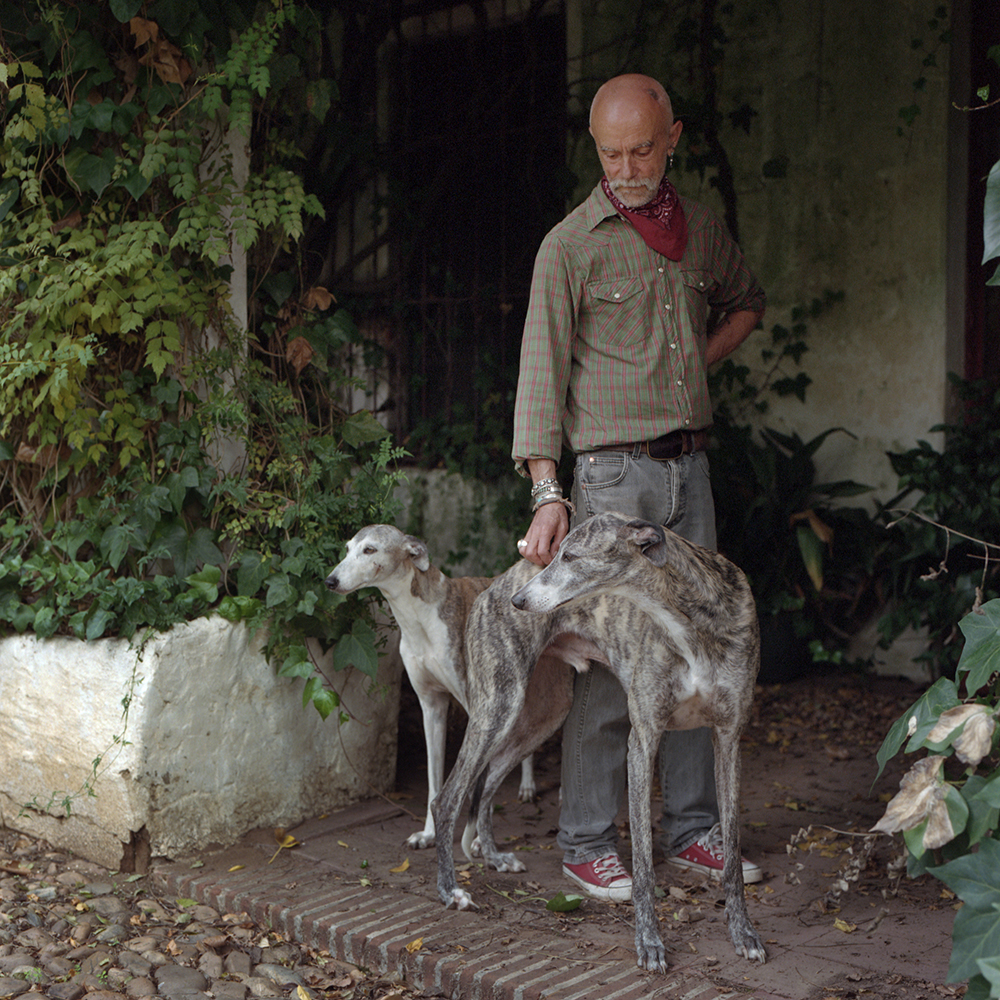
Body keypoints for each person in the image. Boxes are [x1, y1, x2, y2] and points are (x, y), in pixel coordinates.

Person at [511, 73, 765, 902]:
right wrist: (548, 491)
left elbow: (746, 304)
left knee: (697, 651)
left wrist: (692, 368)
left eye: (642, 151)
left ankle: (692, 833)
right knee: (612, 659)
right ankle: (587, 840)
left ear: (673, 138)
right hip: (613, 479)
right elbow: (540, 377)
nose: (626, 169)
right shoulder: (569, 245)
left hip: (692, 470)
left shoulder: (702, 232)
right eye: (611, 154)